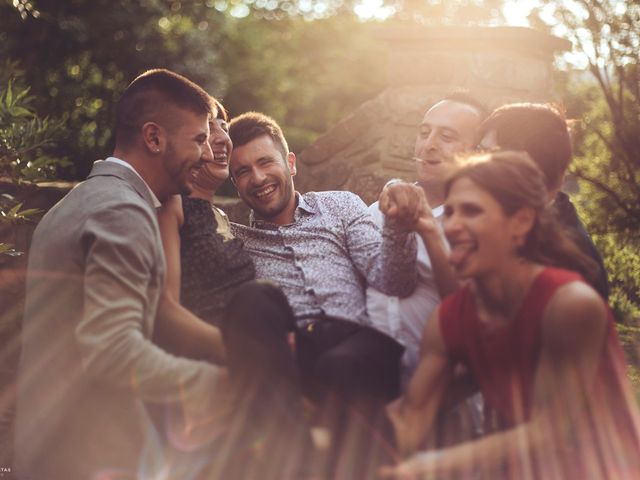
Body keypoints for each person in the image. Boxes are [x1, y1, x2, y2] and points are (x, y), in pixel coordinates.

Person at [14, 69, 226, 480]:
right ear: (154, 137)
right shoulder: (122, 211)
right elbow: (111, 350)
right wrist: (220, 383)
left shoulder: (77, 202)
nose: (207, 154)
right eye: (199, 139)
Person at [383, 151, 640, 479]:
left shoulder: (570, 304)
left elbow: (551, 432)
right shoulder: (449, 319)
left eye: (472, 211)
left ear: (521, 222)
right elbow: (410, 416)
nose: (452, 225)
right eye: (449, 212)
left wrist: (434, 465)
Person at [227, 111, 423, 478]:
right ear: (235, 183)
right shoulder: (236, 243)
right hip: (295, 355)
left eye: (265, 162)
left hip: (360, 347)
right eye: (242, 171)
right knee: (253, 299)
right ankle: (294, 461)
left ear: (290, 163)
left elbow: (394, 281)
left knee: (340, 366)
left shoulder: (340, 205)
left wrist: (398, 227)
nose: (257, 178)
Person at [154, 102, 314, 480]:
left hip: (261, 363)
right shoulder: (172, 207)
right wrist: (241, 353)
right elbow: (163, 308)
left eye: (222, 126)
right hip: (219, 362)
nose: (222, 137)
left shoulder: (228, 220)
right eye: (207, 128)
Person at [367, 93, 486, 381]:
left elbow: (475, 314)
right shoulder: (373, 212)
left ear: (475, 153)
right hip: (366, 379)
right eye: (424, 132)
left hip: (438, 389)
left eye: (447, 136)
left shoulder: (478, 225)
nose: (429, 144)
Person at [477, 102, 609, 300]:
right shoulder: (515, 222)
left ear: (522, 162)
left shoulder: (568, 261)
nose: (473, 164)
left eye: (484, 154)